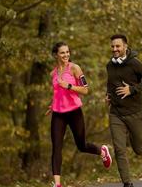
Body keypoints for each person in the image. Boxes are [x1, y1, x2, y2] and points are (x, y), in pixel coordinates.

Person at [46, 42, 112, 187]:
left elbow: (86, 90)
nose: (66, 55)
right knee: (56, 147)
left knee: (81, 145)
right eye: (62, 53)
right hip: (58, 113)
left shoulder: (75, 68)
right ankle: (57, 184)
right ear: (56, 55)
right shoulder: (53, 73)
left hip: (74, 112)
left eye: (67, 52)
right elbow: (57, 92)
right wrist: (53, 105)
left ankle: (102, 151)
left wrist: (69, 86)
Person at [105, 34, 142, 187]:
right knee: (119, 150)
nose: (114, 49)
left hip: (135, 112)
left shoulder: (135, 63)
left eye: (118, 46)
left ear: (125, 47)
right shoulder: (109, 65)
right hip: (116, 113)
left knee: (139, 149)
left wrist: (132, 89)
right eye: (112, 46)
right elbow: (110, 83)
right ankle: (127, 183)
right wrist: (108, 96)